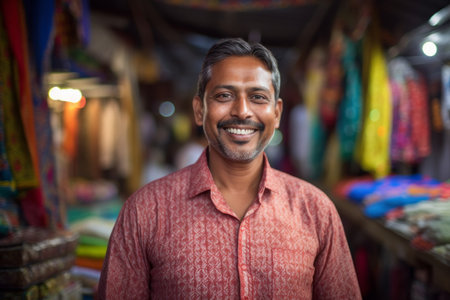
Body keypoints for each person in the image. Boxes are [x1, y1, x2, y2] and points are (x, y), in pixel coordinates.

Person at [98, 38, 361, 299]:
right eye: (224, 96)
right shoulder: (145, 211)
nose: (242, 111)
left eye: (258, 97)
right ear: (199, 110)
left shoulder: (316, 211)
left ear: (277, 113)